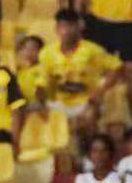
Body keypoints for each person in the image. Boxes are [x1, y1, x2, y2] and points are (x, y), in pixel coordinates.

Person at [73, 0, 132, 125]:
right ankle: (93, 125)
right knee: (97, 74)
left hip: (131, 21)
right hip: (98, 19)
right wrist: (77, 15)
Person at [40, 9, 122, 140]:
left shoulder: (93, 50)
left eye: (71, 26)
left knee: (90, 116)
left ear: (79, 27)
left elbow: (116, 68)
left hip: (86, 101)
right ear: (56, 29)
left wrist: (101, 89)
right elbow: (43, 83)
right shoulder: (47, 53)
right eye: (63, 26)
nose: (67, 31)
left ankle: (89, 154)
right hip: (58, 102)